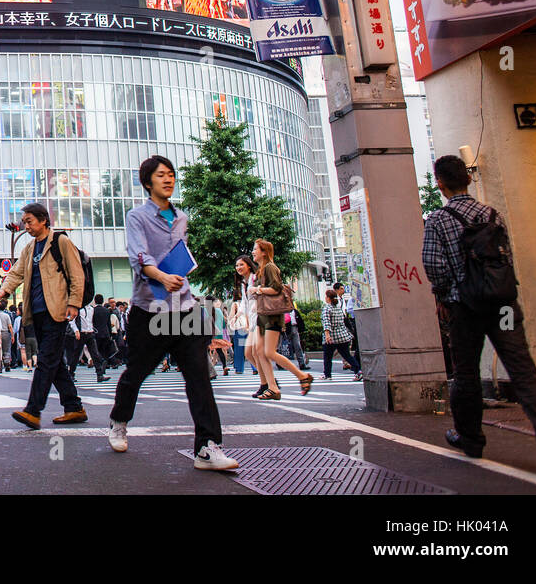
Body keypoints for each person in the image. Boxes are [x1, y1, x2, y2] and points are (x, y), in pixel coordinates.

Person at [422, 155, 536, 477]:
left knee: (466, 373)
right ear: (468, 180)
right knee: (524, 372)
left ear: (440, 183)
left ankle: (469, 438)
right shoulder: (492, 214)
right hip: (504, 307)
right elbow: (506, 256)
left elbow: (433, 265)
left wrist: (443, 295)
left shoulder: (439, 220)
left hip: (465, 308)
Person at [106, 155, 238, 470]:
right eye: (161, 175)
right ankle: (119, 420)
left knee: (199, 376)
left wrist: (178, 274)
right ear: (148, 181)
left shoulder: (182, 218)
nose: (168, 179)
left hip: (186, 308)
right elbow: (139, 256)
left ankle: (207, 447)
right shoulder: (136, 216)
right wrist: (162, 276)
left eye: (171, 175)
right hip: (150, 309)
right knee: (137, 372)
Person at [0, 202, 87, 430]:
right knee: (54, 363)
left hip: (56, 310)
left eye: (30, 221)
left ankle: (33, 411)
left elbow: (77, 274)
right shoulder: (29, 248)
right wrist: (5, 289)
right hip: (36, 312)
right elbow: (16, 272)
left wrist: (74, 303)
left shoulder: (60, 242)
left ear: (43, 220)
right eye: (24, 222)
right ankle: (74, 407)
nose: (26, 226)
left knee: (46, 361)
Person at [249, 239, 312, 399]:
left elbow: (276, 288)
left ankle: (302, 376)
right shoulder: (261, 270)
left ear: (264, 252)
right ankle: (272, 387)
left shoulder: (270, 267)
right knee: (258, 351)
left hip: (272, 315)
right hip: (263, 314)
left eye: (255, 249)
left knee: (269, 352)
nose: (253, 252)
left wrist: (258, 289)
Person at [321, 288, 361, 381]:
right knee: (347, 355)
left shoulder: (327, 308)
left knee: (327, 357)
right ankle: (358, 371)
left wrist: (327, 335)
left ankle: (327, 375)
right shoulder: (338, 309)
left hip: (331, 337)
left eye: (326, 296)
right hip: (342, 336)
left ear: (328, 298)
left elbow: (327, 323)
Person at [0, 302, 14, 372]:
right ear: (4, 308)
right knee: (7, 349)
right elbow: (10, 326)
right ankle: (7, 364)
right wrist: (12, 335)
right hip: (6, 333)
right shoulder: (6, 316)